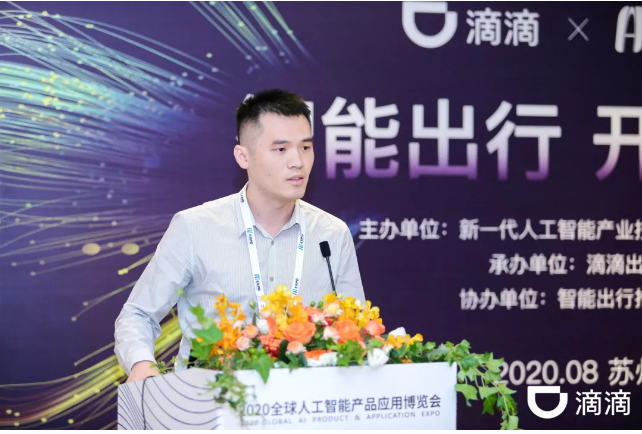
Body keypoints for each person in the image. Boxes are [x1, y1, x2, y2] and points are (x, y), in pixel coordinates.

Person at [114, 89, 366, 383]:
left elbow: (355, 330)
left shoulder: (332, 234)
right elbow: (137, 315)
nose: (297, 161)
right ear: (243, 156)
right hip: (210, 399)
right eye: (281, 149)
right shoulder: (194, 227)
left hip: (303, 401)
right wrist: (142, 365)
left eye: (306, 147)